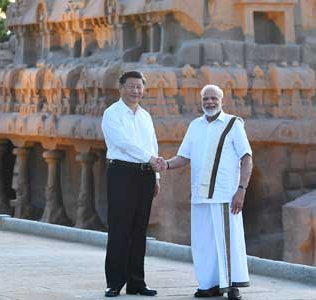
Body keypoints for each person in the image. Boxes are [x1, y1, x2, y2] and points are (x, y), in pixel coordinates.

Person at [153, 84, 252, 300]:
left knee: (229, 240)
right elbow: (184, 157)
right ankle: (209, 285)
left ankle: (232, 286)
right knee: (203, 242)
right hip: (200, 196)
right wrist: (166, 165)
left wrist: (241, 190)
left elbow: (246, 158)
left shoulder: (233, 124)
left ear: (222, 100)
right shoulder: (195, 126)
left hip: (226, 196)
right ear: (201, 101)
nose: (209, 102)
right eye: (206, 99)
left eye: (213, 98)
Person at [101, 70, 162, 297]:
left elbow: (152, 144)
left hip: (145, 175)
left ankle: (137, 282)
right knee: (119, 228)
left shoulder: (145, 116)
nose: (136, 90)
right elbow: (122, 143)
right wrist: (150, 159)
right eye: (131, 86)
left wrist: (156, 176)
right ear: (121, 88)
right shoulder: (112, 113)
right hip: (122, 173)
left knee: (139, 229)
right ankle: (115, 282)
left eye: (139, 86)